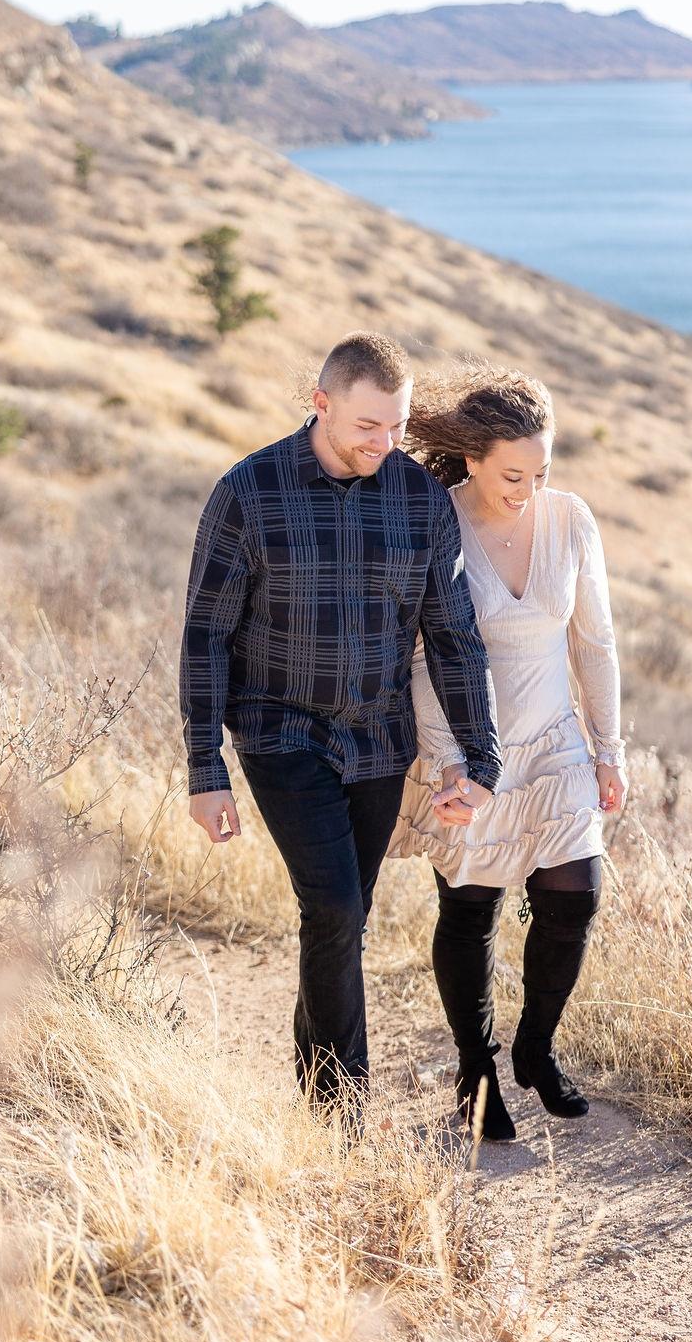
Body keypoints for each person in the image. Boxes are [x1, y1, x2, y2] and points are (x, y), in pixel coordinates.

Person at [179, 332, 502, 1112]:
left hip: (379, 743)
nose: (384, 444)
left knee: (340, 923)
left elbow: (452, 635)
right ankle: (343, 1115)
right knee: (333, 910)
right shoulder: (249, 492)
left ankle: (315, 1092)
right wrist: (205, 769)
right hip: (280, 731)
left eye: (394, 427)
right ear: (320, 404)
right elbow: (206, 634)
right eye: (367, 426)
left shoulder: (419, 499)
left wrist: (482, 759)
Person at [387, 366, 627, 1140]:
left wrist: (609, 749)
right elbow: (421, 656)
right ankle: (476, 1065)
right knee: (471, 910)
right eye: (511, 473)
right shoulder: (436, 520)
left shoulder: (571, 521)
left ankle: (535, 1048)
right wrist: (452, 764)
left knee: (576, 895)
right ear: (473, 459)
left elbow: (595, 641)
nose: (527, 488)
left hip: (556, 741)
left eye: (542, 471)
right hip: (465, 744)